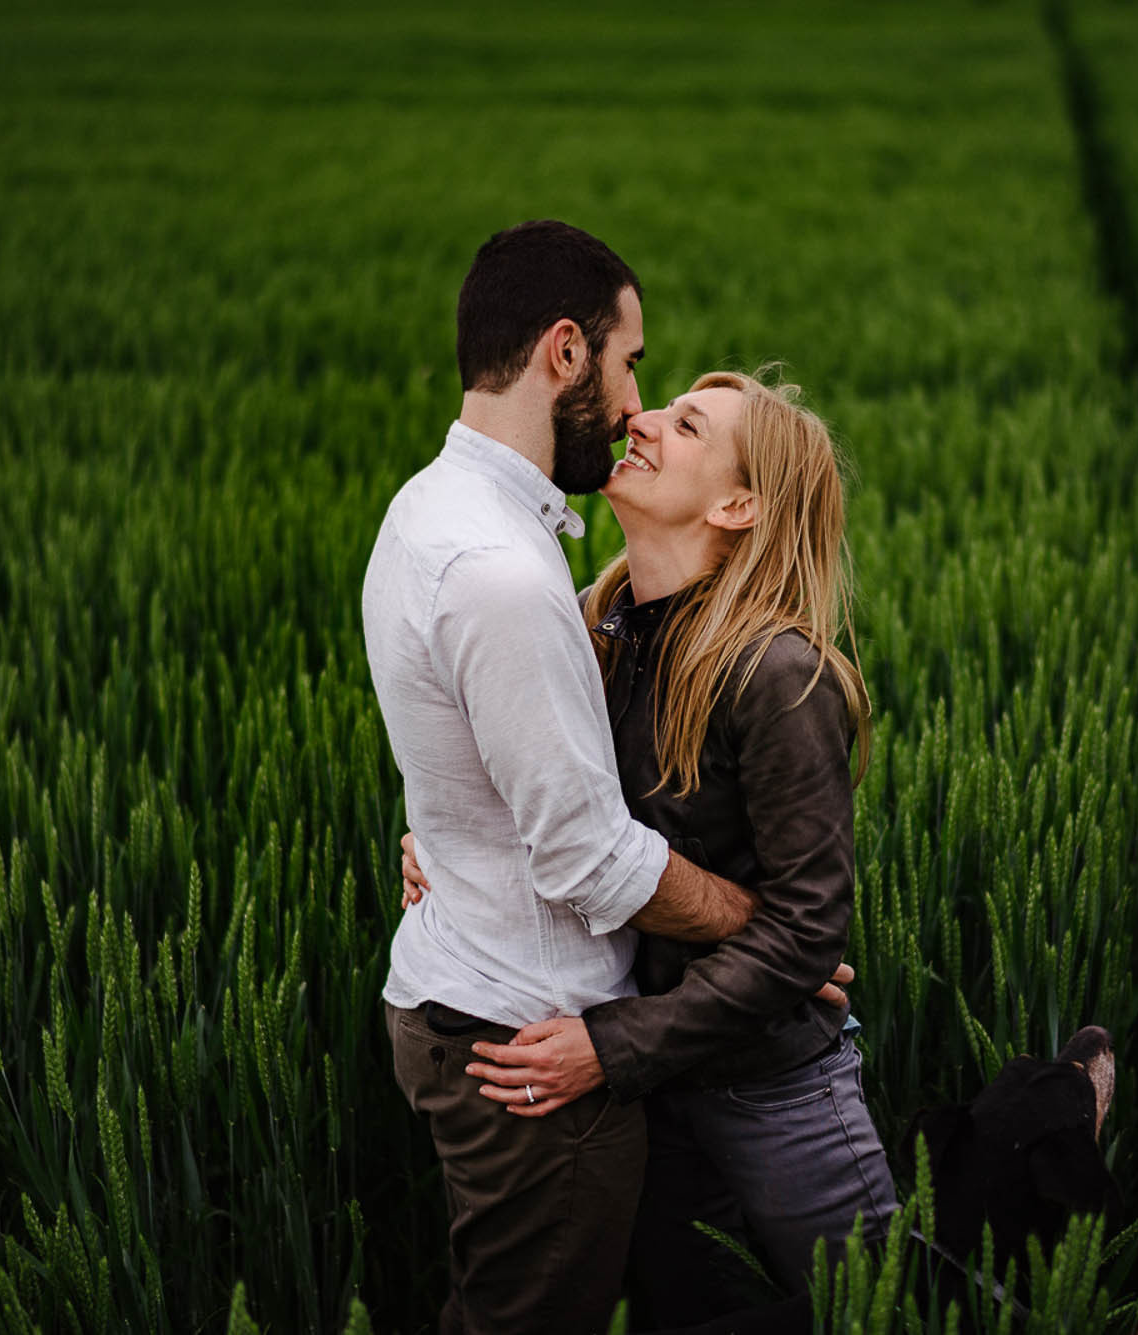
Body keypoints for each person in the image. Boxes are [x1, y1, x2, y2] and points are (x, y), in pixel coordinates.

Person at [364, 221, 823, 1335]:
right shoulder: (517, 579)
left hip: (509, 1012)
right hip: (530, 1039)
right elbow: (584, 851)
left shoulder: (442, 519)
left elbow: (483, 755)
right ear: (563, 354)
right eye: (630, 366)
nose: (634, 409)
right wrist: (766, 932)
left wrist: (449, 832)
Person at [403, 369, 897, 1326]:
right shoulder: (592, 630)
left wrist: (610, 1047)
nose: (641, 418)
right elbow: (526, 794)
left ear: (738, 502)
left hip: (776, 1086)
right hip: (650, 1098)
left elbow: (806, 934)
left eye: (686, 424)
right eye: (659, 404)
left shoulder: (780, 676)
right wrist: (438, 841)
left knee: (877, 1309)